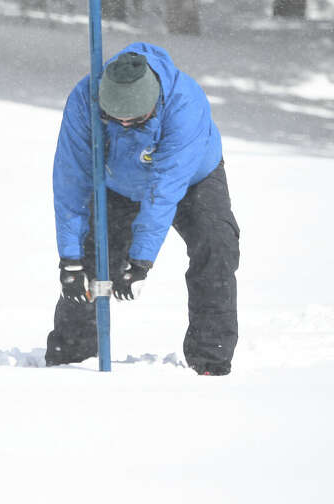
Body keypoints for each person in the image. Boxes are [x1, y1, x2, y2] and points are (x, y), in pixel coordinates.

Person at [46, 42, 240, 375]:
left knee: (217, 244)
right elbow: (71, 181)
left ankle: (210, 358)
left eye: (133, 121)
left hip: (192, 178)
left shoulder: (184, 104)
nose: (122, 126)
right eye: (112, 118)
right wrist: (70, 259)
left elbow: (163, 191)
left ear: (153, 105)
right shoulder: (84, 99)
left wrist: (140, 262)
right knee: (93, 260)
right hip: (117, 183)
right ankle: (70, 354)